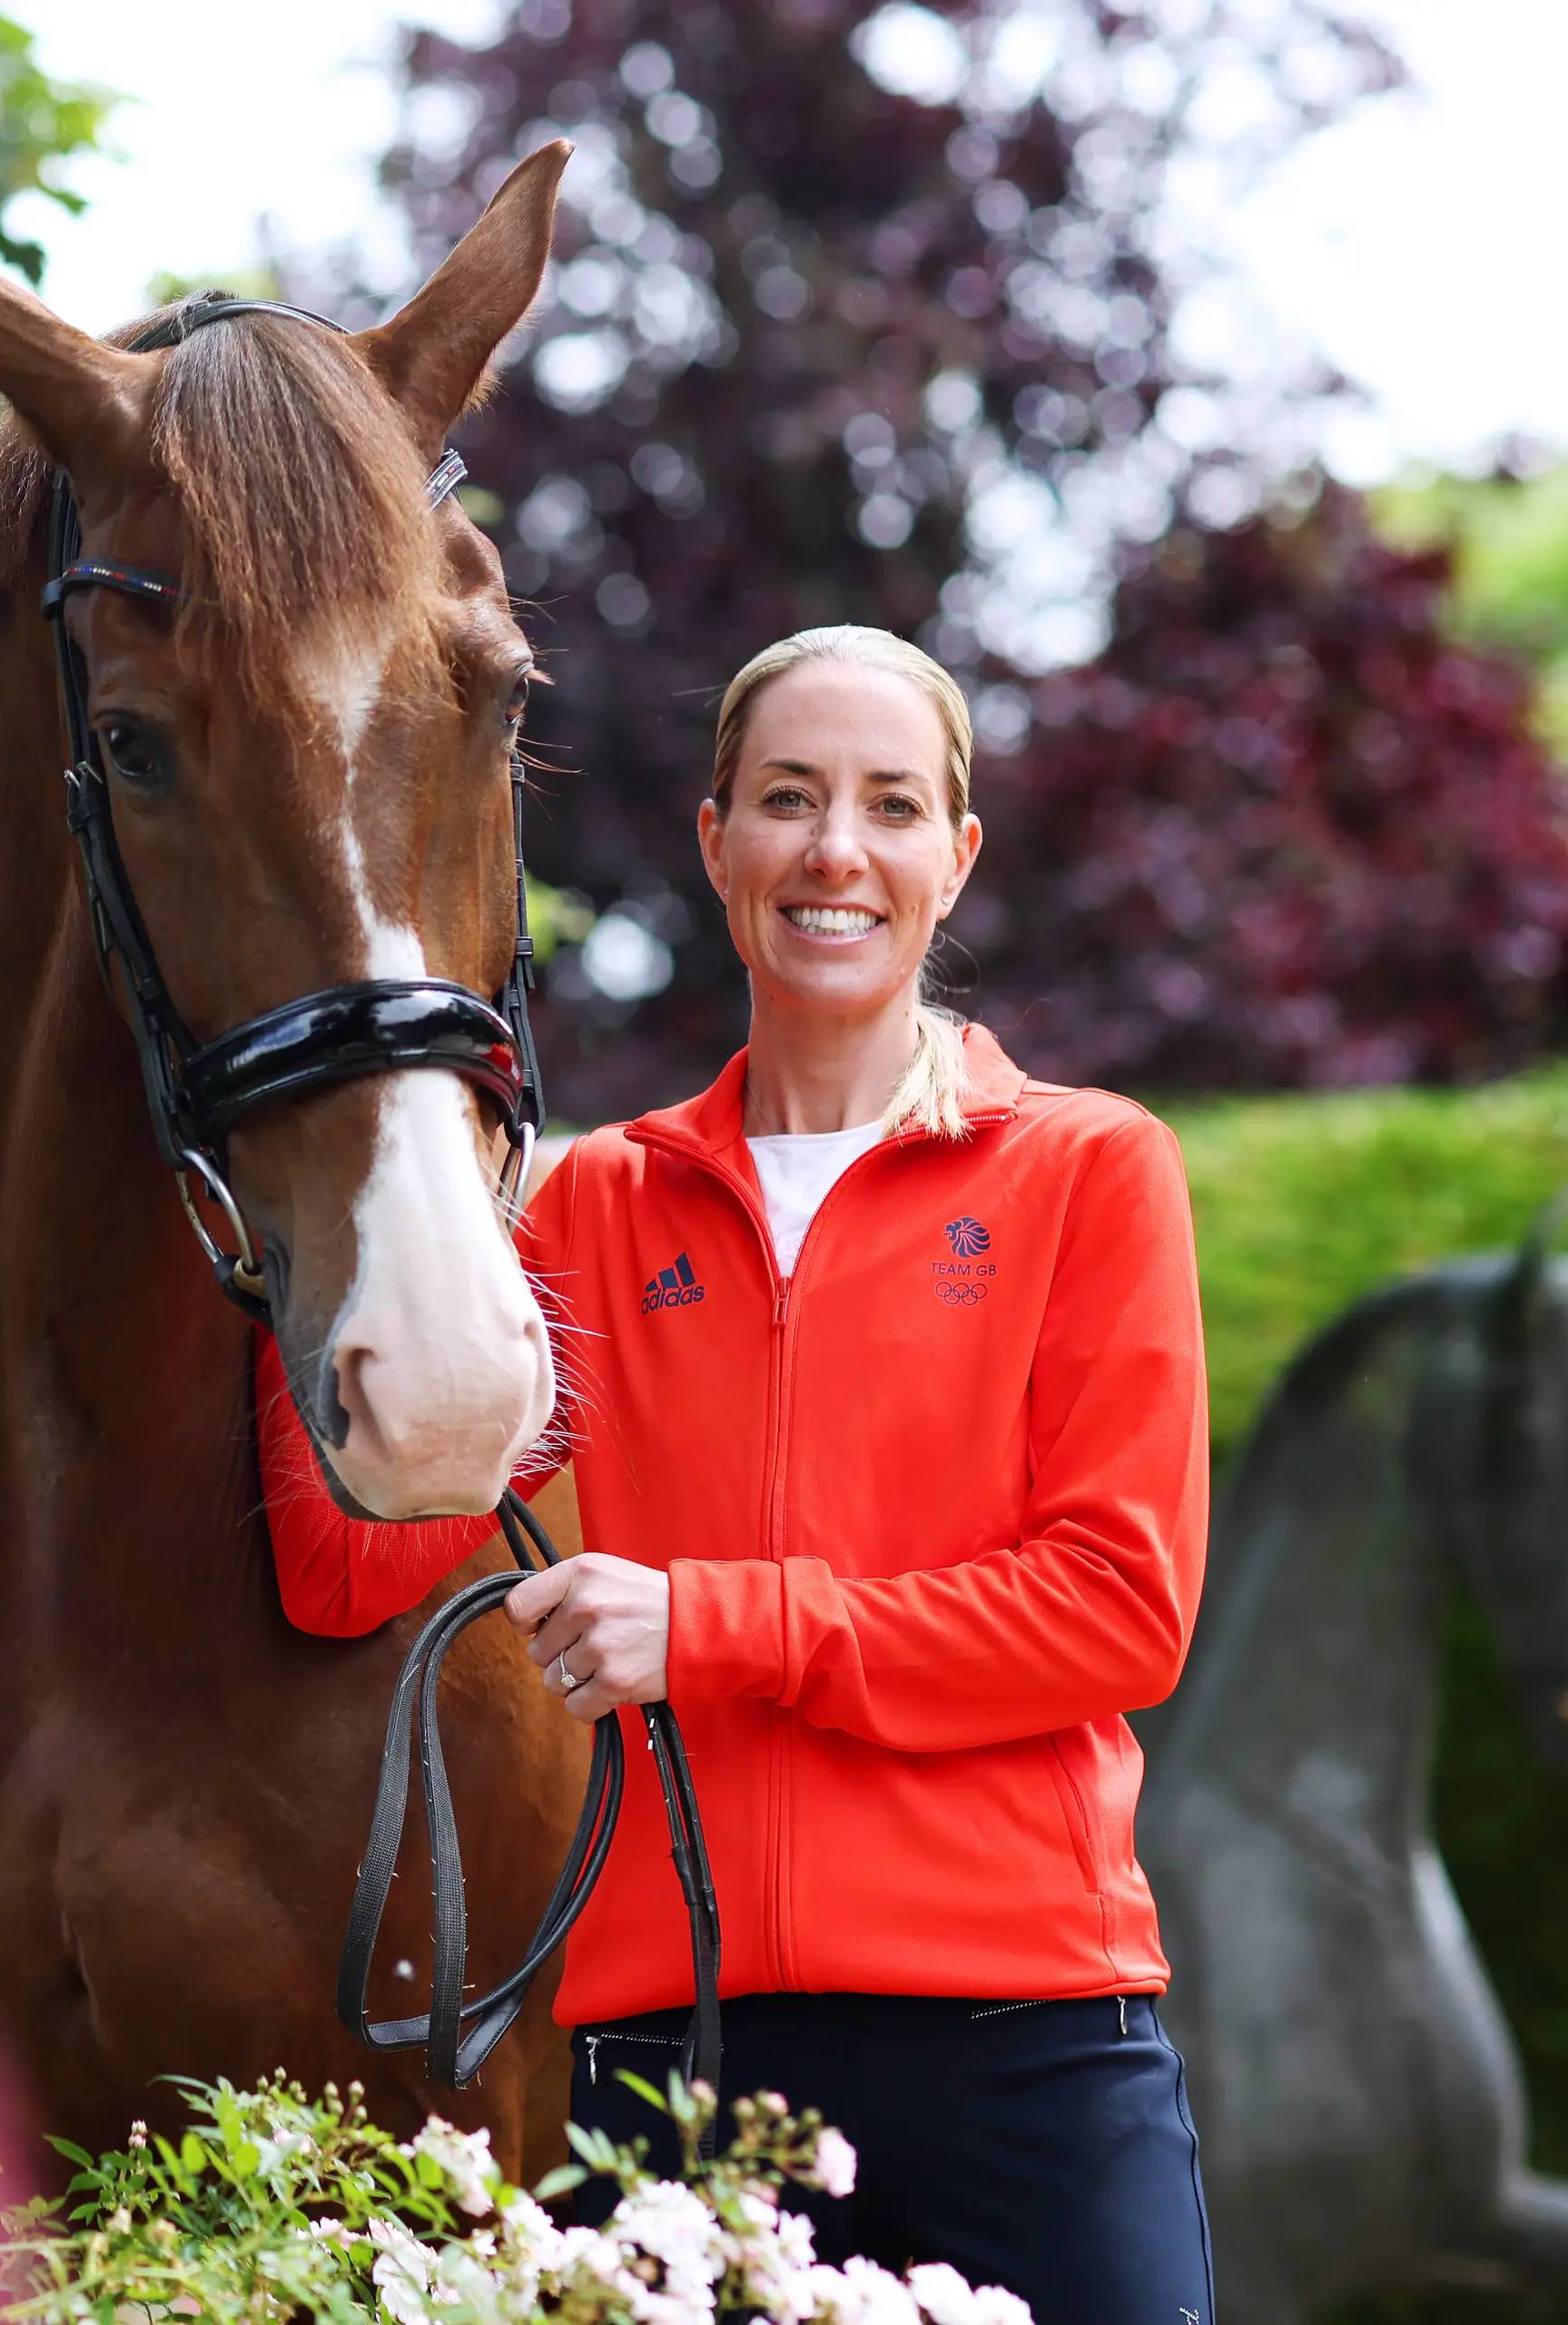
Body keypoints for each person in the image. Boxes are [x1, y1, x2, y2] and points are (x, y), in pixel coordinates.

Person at [260, 626, 1215, 2325]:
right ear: (716, 843)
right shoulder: (584, 1210)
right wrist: (337, 1216)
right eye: (787, 798)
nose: (834, 850)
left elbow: (1118, 1614)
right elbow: (352, 1565)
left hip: (1027, 2055)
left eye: (888, 806)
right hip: (671, 2081)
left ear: (953, 856)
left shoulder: (1089, 1171)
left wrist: (712, 1628)